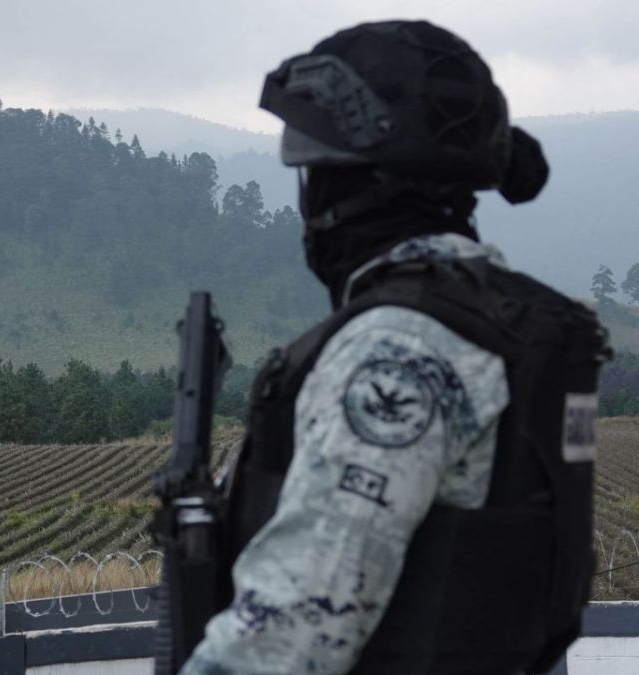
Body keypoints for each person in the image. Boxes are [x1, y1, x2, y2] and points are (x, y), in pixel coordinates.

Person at [180, 20, 611, 675]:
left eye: (315, 172)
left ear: (349, 184)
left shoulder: (399, 349)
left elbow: (289, 633)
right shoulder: (514, 331)